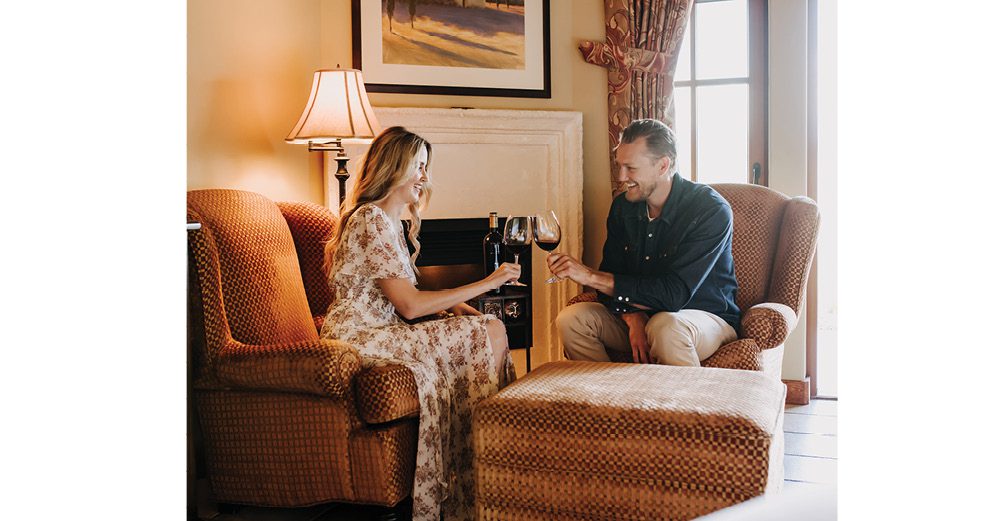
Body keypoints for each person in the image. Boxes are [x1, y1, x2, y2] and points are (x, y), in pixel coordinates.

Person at [319, 126, 520, 521]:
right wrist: (488, 282)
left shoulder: (392, 225)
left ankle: (486, 469)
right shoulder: (370, 220)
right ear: (394, 168)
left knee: (489, 328)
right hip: (361, 336)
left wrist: (470, 311)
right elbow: (410, 307)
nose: (425, 178)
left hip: (384, 330)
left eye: (427, 168)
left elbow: (410, 302)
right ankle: (488, 469)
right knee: (487, 332)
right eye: (419, 167)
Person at [547, 119, 740, 367]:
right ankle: (609, 402)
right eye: (619, 166)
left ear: (662, 165)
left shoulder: (710, 210)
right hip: (644, 316)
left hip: (704, 318)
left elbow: (673, 296)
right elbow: (612, 282)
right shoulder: (623, 207)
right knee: (572, 319)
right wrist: (632, 316)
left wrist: (589, 276)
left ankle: (684, 405)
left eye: (630, 168)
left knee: (665, 326)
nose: (621, 176)